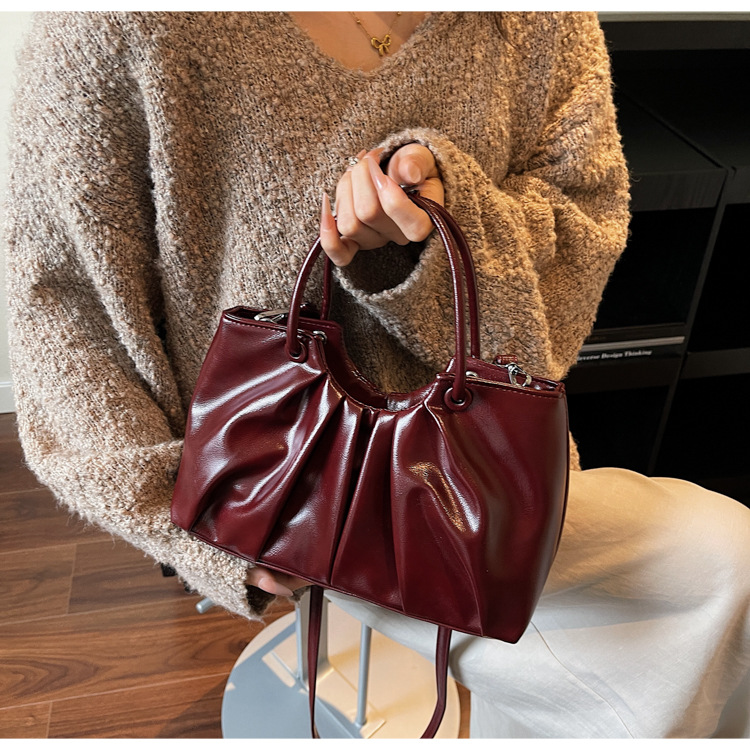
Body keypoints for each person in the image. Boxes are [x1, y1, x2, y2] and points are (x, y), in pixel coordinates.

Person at [4, 11, 749, 738]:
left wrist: (448, 220)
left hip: (470, 487)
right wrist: (177, 512)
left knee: (716, 578)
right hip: (279, 493)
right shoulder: (116, 28)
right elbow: (61, 315)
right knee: (717, 576)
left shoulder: (537, 23)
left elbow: (585, 225)